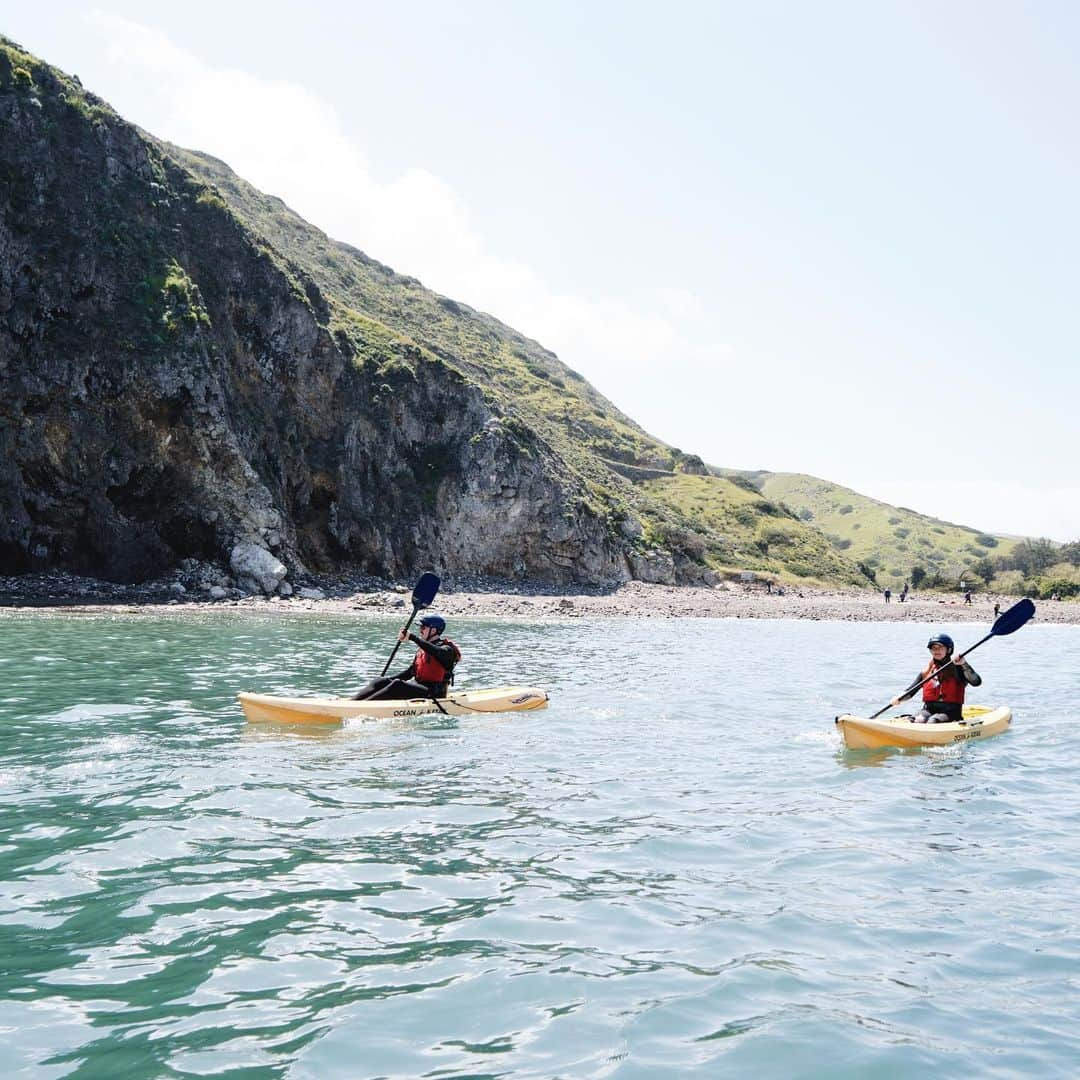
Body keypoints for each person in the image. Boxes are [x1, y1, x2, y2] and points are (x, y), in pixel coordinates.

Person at [352, 614, 461, 701]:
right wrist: (387, 681)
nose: (420, 630)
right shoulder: (422, 649)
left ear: (433, 631)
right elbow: (410, 673)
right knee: (380, 681)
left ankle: (364, 707)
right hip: (418, 687)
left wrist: (412, 637)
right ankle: (353, 703)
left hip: (434, 693)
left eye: (423, 627)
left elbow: (436, 651)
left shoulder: (446, 650)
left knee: (397, 685)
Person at [890, 632, 981, 723]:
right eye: (933, 648)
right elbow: (911, 691)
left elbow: (976, 682)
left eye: (940, 647)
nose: (936, 651)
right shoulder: (927, 670)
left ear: (949, 650)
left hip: (951, 712)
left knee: (933, 721)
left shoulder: (958, 667)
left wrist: (964, 664)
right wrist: (899, 698)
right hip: (929, 710)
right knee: (917, 720)